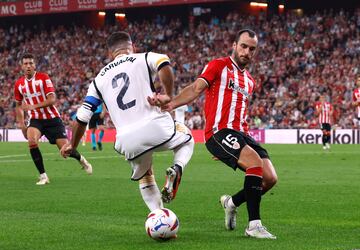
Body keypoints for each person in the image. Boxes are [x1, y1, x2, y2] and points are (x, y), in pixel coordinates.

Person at [151, 29, 277, 239]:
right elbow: (196, 88)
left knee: (270, 178)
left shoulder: (250, 81)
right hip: (219, 131)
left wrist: (237, 145)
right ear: (235, 45)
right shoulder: (219, 65)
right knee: (255, 164)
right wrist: (171, 102)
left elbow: (241, 110)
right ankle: (254, 225)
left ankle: (231, 203)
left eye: (252, 49)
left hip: (241, 133)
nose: (247, 52)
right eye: (243, 46)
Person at [60, 32, 194, 212]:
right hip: (156, 126)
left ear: (110, 54)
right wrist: (168, 94)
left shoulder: (98, 80)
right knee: (187, 137)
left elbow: (82, 117)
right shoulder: (143, 57)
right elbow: (164, 62)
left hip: (126, 140)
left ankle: (158, 216)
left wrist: (72, 145)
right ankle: (177, 168)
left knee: (145, 176)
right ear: (133, 47)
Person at [14, 53, 92, 185]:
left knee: (66, 150)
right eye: (26, 63)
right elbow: (18, 105)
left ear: (35, 65)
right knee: (32, 142)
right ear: (21, 66)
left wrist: (33, 106)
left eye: (31, 63)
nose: (28, 66)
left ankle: (82, 160)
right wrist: (21, 124)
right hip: (35, 119)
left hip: (52, 119)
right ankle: (43, 176)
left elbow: (52, 99)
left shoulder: (43, 78)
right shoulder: (19, 84)